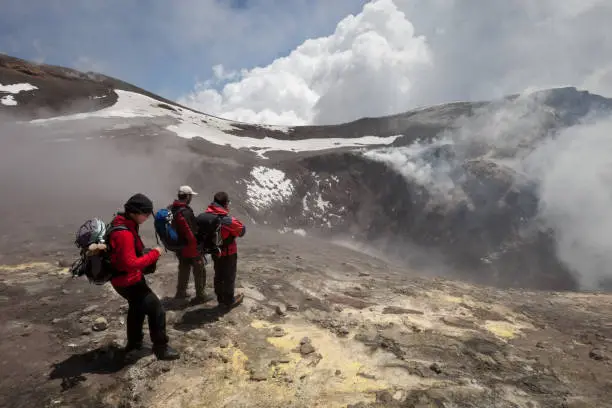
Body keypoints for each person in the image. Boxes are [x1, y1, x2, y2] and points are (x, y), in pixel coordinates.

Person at [108, 193, 180, 361]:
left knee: (137, 309)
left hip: (121, 279)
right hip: (128, 280)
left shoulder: (123, 223)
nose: (147, 217)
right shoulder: (124, 232)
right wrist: (154, 254)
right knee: (157, 310)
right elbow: (130, 263)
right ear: (135, 212)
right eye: (146, 213)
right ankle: (161, 348)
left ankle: (134, 344)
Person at [169, 185, 209, 304]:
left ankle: (180, 293)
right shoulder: (185, 211)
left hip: (179, 247)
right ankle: (200, 296)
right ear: (187, 197)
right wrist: (197, 248)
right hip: (190, 247)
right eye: (190, 196)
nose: (191, 198)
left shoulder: (172, 208)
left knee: (183, 269)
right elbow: (189, 232)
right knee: (199, 270)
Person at [205, 191, 246, 309]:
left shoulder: (208, 215)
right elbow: (242, 231)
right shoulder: (227, 220)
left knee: (218, 274)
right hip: (228, 252)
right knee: (229, 276)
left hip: (214, 251)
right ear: (225, 203)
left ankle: (220, 298)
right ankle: (228, 300)